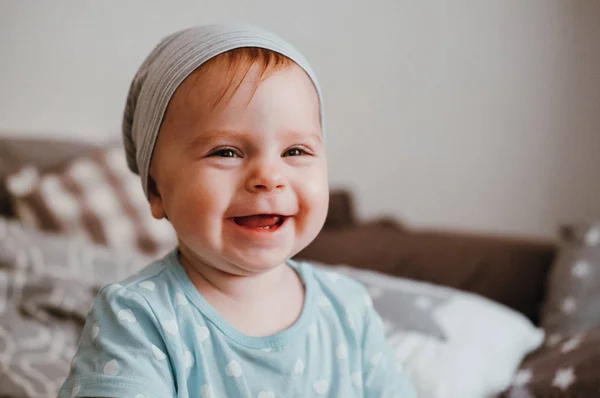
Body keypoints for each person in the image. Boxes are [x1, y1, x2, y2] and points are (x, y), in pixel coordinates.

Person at [59, 24, 417, 398]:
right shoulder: (138, 317)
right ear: (155, 190)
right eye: (225, 152)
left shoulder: (348, 309)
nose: (268, 177)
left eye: (295, 151)